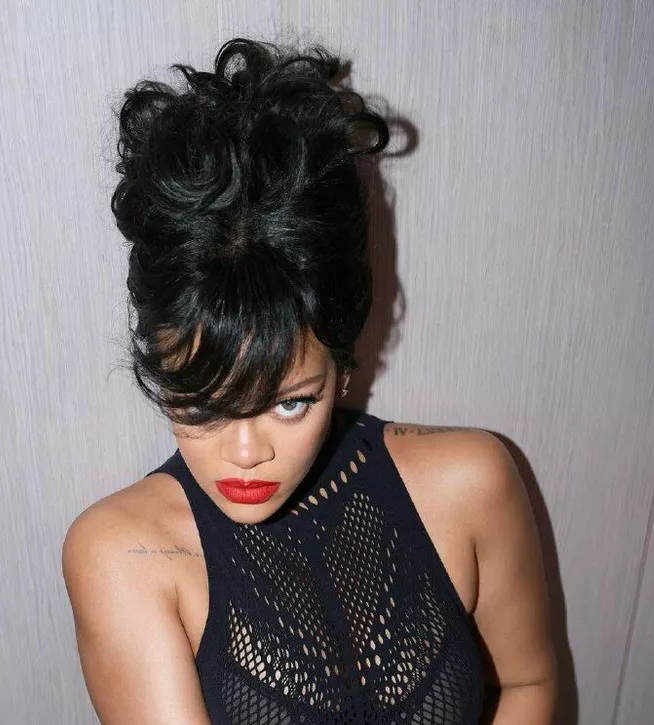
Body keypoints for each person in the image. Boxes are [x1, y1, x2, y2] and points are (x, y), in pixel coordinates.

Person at [62, 37, 557, 724]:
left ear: (343, 364)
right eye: (202, 404)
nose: (246, 453)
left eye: (291, 403)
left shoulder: (472, 482)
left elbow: (528, 685)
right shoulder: (124, 555)